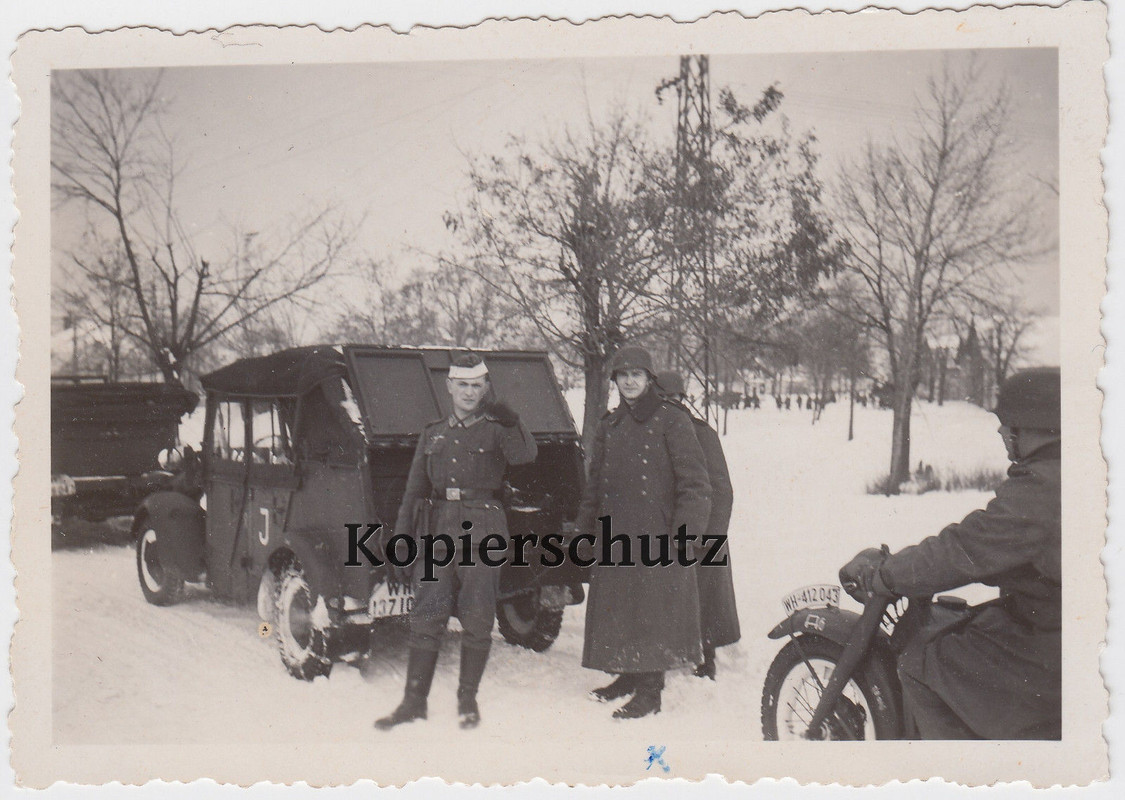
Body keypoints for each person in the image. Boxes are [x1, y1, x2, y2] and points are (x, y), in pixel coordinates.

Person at [840, 367, 1061, 739]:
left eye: (1007, 423)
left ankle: (959, 775)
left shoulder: (1043, 487)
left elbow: (964, 549)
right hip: (1058, 625)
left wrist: (886, 574)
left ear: (1033, 426)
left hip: (1051, 639)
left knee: (919, 662)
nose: (1001, 432)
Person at [375, 353, 538, 731]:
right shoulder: (433, 433)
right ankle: (413, 702)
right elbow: (414, 489)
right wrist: (401, 540)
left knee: (478, 619)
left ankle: (467, 700)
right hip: (435, 534)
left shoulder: (497, 429)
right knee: (426, 616)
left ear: (485, 389)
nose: (468, 392)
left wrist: (514, 422)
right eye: (461, 385)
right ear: (449, 387)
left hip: (482, 533)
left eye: (476, 386)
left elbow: (525, 455)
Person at [579, 346, 712, 719]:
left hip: (660, 536)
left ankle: (650, 692)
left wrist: (685, 538)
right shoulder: (610, 425)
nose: (630, 381)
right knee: (621, 608)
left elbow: (696, 486)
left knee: (653, 611)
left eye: (637, 374)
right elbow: (595, 486)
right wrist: (584, 531)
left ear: (650, 378)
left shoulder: (673, 420)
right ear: (615, 381)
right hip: (616, 535)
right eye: (623, 375)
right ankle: (627, 676)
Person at [656, 371, 741, 679]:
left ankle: (708, 659)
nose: (668, 404)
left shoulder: (701, 433)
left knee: (707, 599)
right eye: (662, 399)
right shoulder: (656, 433)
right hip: (673, 531)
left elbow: (721, 488)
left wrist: (710, 537)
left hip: (704, 533)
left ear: (683, 399)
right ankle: (674, 652)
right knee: (674, 598)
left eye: (673, 398)